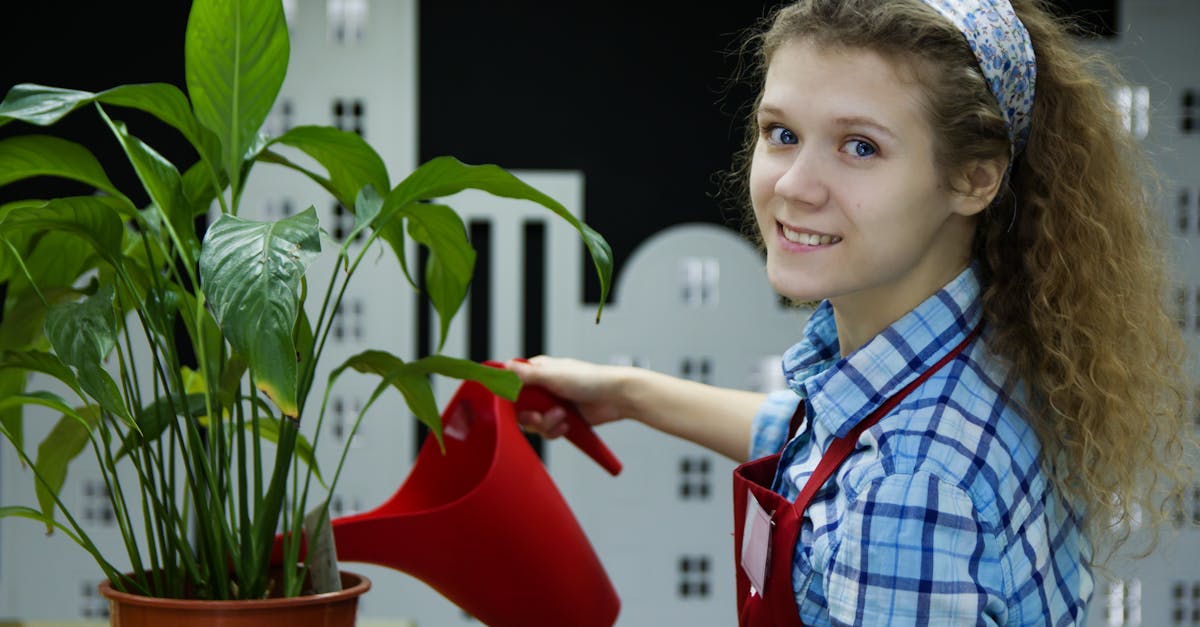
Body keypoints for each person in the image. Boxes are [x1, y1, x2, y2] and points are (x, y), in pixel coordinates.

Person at [506, 0, 1195, 624]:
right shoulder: (970, 344)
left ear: (974, 177)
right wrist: (626, 394)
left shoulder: (908, 488)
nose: (795, 186)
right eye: (781, 133)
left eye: (859, 146)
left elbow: (877, 474)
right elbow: (818, 443)